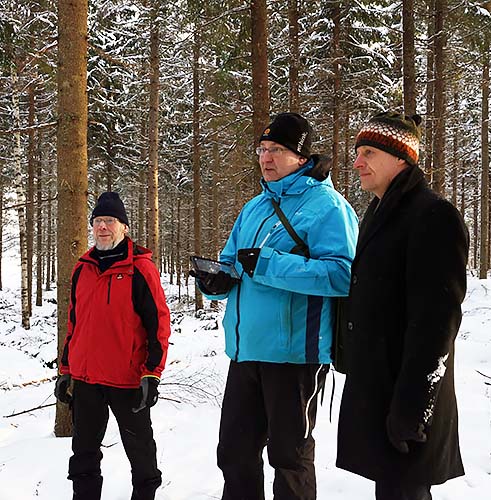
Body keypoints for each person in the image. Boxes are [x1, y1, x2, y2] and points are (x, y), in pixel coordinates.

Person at [193, 112, 358, 500]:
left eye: (277, 150)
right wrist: (216, 281)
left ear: (301, 158)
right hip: (245, 351)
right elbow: (233, 261)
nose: (266, 158)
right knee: (234, 454)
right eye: (262, 149)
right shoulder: (254, 207)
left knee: (290, 458)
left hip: (295, 357)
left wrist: (268, 264)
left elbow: (342, 275)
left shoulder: (328, 207)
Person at [336, 111, 469, 500]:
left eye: (369, 153)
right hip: (381, 389)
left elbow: (437, 323)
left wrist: (412, 407)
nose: (357, 162)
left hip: (408, 396)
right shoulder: (378, 213)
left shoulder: (432, 216)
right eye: (357, 152)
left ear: (401, 158)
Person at [54, 192, 171, 500]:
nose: (102, 227)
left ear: (124, 227)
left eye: (109, 221)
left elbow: (158, 323)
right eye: (97, 221)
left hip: (127, 378)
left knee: (141, 452)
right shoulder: (82, 268)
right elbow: (74, 323)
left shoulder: (140, 269)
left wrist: (152, 374)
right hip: (87, 378)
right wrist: (66, 370)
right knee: (83, 455)